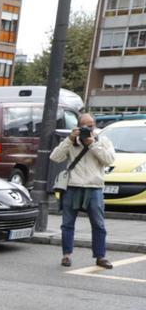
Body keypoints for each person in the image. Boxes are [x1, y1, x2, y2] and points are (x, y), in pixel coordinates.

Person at [50, 113, 116, 269]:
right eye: (84, 126)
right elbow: (55, 157)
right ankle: (66, 255)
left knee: (98, 224)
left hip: (94, 188)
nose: (88, 128)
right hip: (73, 186)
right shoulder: (72, 142)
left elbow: (109, 160)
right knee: (67, 224)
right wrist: (69, 139)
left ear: (95, 125)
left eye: (91, 125)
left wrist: (93, 144)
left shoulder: (103, 141)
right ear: (78, 127)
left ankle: (100, 256)